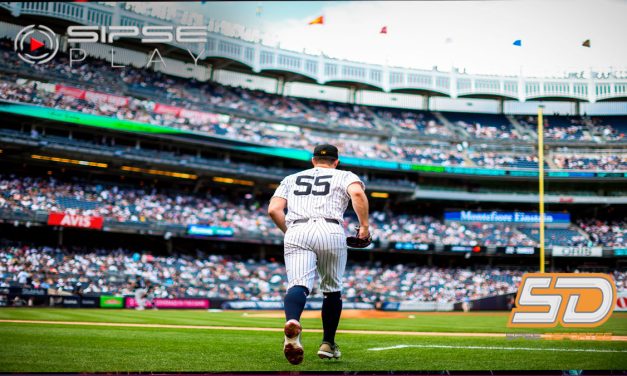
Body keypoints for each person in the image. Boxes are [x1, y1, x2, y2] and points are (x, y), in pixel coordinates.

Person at [268, 144, 370, 365]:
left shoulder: (291, 178)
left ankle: (293, 321)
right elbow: (357, 193)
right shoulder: (345, 175)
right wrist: (364, 227)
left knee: (298, 284)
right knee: (332, 289)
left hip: (296, 229)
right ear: (336, 162)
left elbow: (273, 210)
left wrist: (290, 233)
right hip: (330, 228)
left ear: (313, 160)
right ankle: (327, 344)